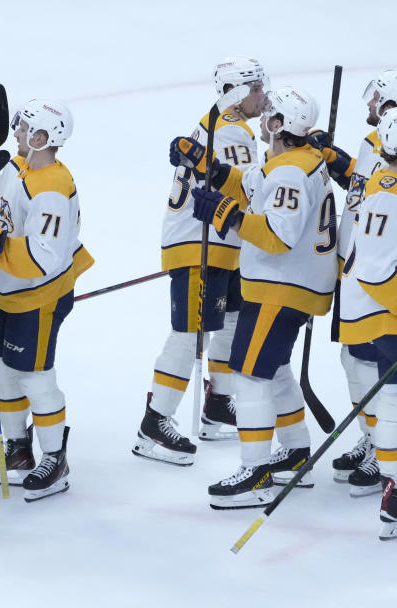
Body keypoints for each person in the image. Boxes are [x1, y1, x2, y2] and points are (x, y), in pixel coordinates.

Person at [174, 86, 337, 509]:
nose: (264, 116)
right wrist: (207, 165)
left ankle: (256, 471)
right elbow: (250, 185)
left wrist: (224, 215)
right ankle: (297, 452)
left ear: (281, 125)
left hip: (280, 289)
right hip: (288, 286)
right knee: (276, 368)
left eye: (272, 114)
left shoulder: (290, 173)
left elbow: (277, 235)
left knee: (249, 376)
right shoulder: (294, 162)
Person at [132, 57, 269, 467]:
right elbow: (247, 190)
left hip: (221, 247)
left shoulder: (216, 124)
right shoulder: (231, 130)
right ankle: (153, 423)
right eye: (258, 88)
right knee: (190, 335)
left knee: (229, 322)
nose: (264, 95)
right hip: (200, 247)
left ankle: (217, 404)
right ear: (239, 91)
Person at [0, 98, 93, 501]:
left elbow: (42, 258)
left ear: (40, 137)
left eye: (22, 127)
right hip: (5, 290)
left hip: (39, 296)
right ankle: (17, 451)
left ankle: (55, 457)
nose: (15, 131)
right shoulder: (19, 168)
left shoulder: (52, 187)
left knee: (35, 377)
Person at [309, 71, 397, 496]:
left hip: (380, 278)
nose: (368, 105)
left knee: (381, 366)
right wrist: (333, 158)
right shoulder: (373, 143)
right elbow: (358, 190)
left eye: (375, 98)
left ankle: (387, 453)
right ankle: (373, 440)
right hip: (354, 270)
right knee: (354, 360)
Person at [339, 107, 397, 540]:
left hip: (380, 309)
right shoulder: (387, 192)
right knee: (390, 392)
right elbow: (377, 270)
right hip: (384, 311)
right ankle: (392, 490)